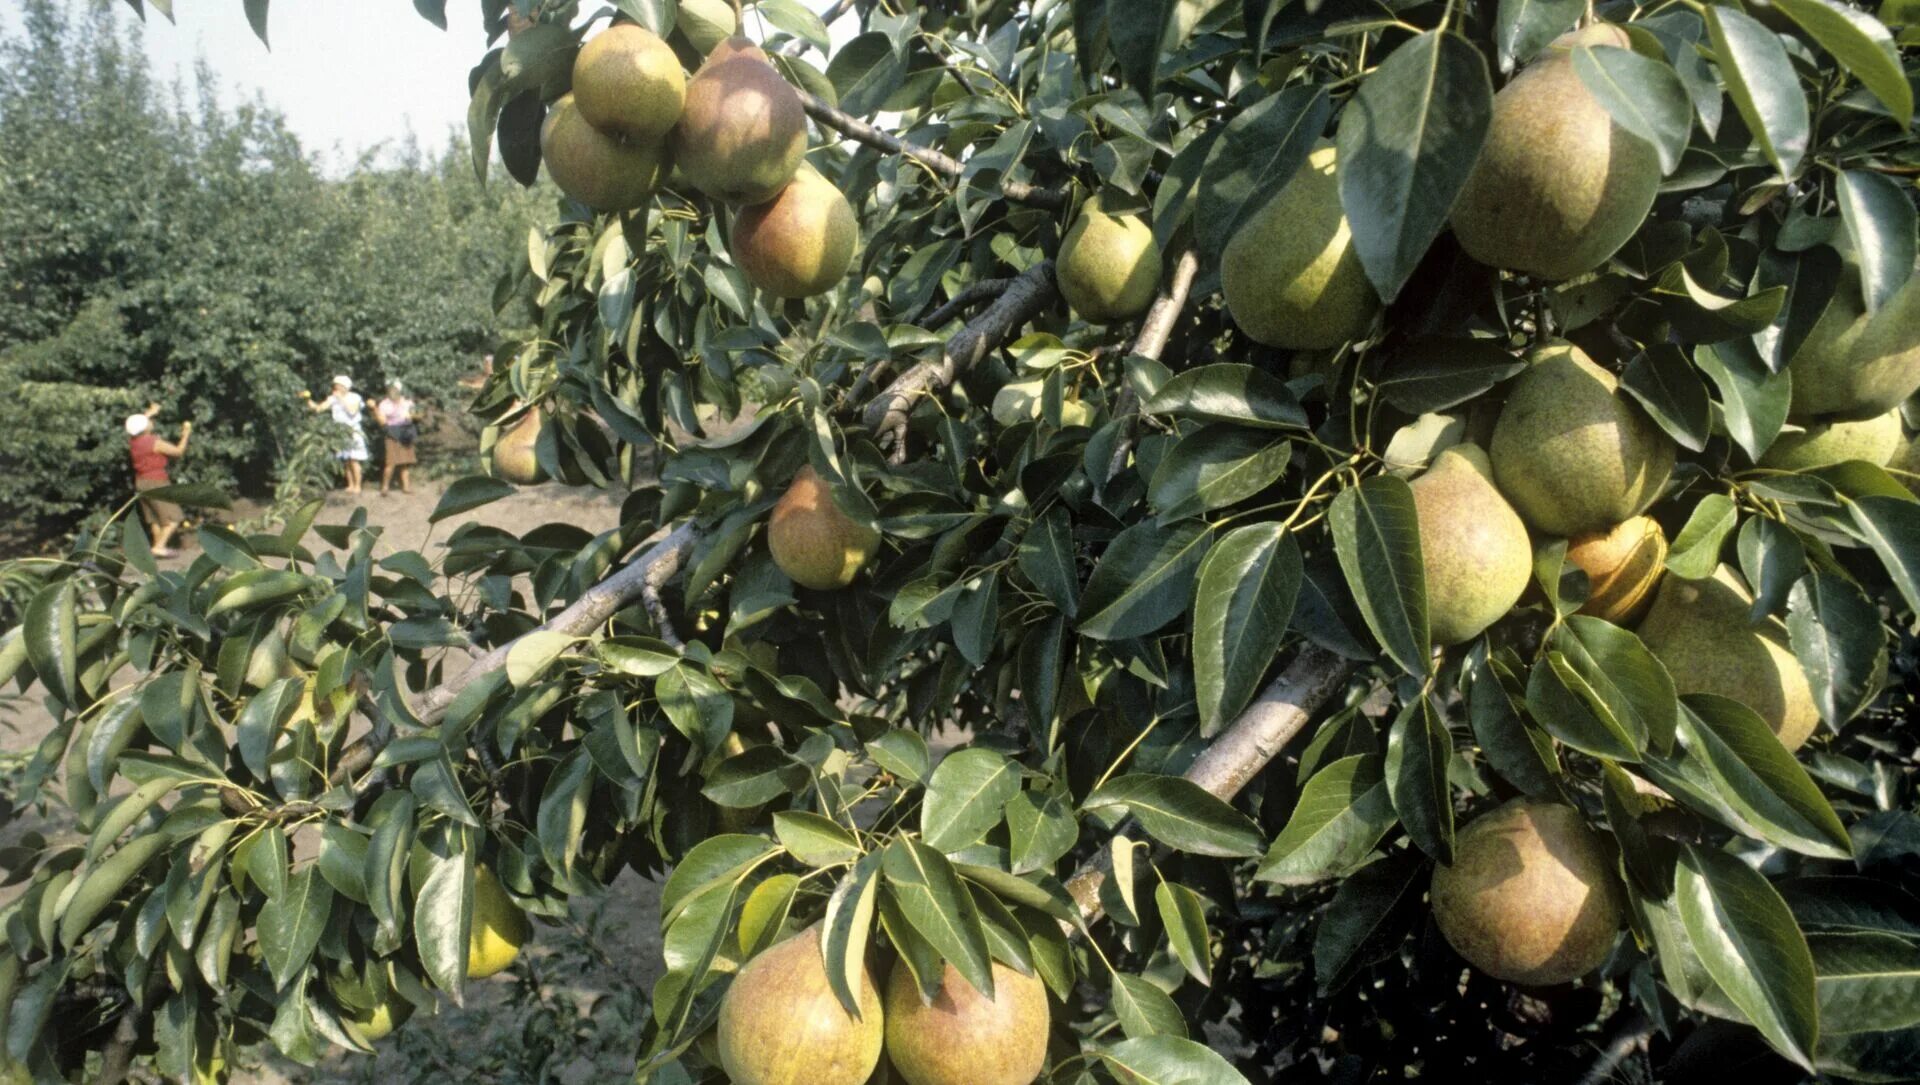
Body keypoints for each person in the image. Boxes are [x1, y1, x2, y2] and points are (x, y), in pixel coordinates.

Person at [126, 403, 192, 557]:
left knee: (155, 517)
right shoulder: (154, 443)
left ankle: (157, 548)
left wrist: (150, 413)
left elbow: (138, 426)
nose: (151, 422)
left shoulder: (134, 441)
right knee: (173, 518)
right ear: (145, 428)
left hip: (141, 482)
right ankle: (158, 547)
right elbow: (178, 451)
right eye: (148, 421)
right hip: (157, 482)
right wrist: (186, 434)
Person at [301, 375, 368, 494]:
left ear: (344, 387)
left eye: (337, 385)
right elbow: (318, 409)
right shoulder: (333, 398)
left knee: (354, 459)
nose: (335, 387)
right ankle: (350, 485)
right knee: (346, 460)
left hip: (353, 431)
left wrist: (340, 399)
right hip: (340, 432)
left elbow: (352, 411)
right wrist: (307, 400)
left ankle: (358, 486)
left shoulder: (355, 397)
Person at [376, 380, 419, 495]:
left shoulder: (407, 402)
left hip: (406, 433)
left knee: (405, 462)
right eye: (390, 389)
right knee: (391, 462)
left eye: (394, 389)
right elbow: (382, 421)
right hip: (392, 433)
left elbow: (416, 416)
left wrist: (412, 416)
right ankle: (385, 487)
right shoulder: (384, 404)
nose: (392, 391)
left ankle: (406, 487)